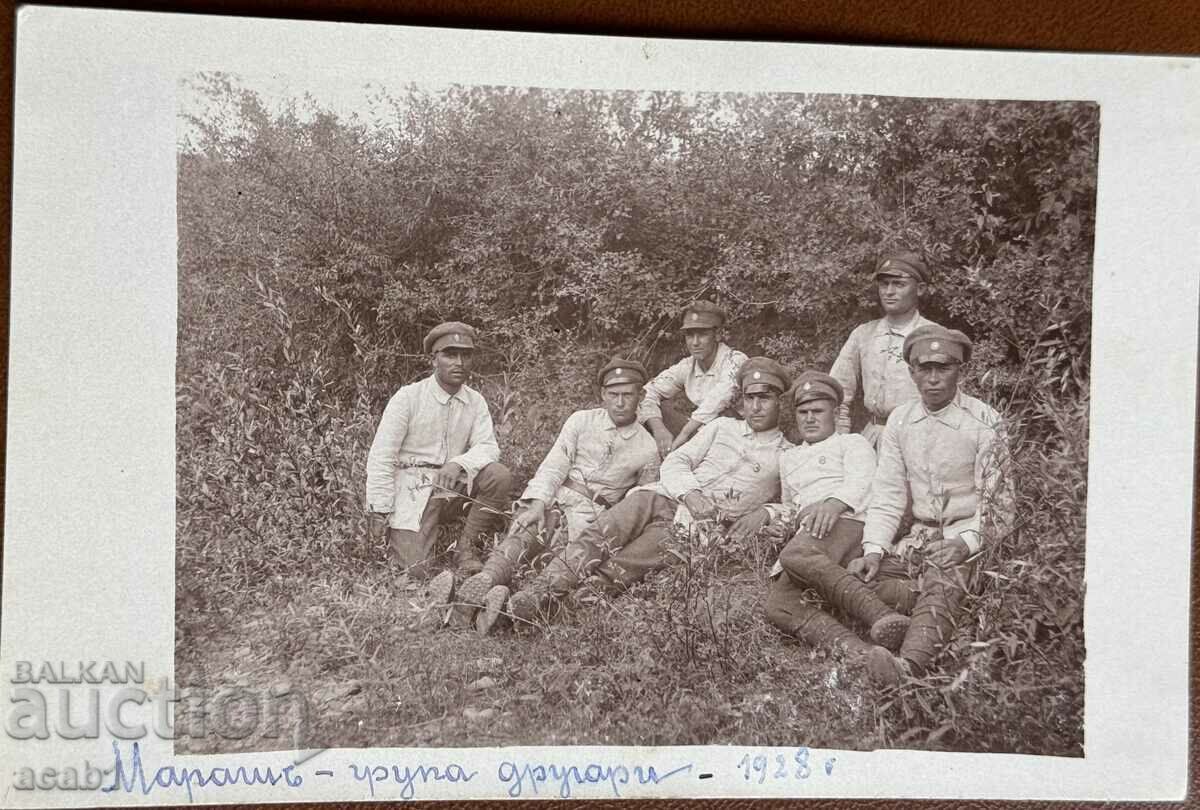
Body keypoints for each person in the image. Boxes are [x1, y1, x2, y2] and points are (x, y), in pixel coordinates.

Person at [503, 357, 794, 627]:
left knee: (626, 564)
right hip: (661, 496)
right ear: (741, 402)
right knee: (600, 535)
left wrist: (767, 511)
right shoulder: (721, 427)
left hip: (693, 529)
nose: (756, 406)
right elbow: (678, 460)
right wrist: (691, 493)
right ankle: (539, 591)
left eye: (765, 398)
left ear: (779, 402)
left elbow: (799, 505)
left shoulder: (787, 454)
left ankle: (560, 611)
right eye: (750, 397)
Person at [848, 324, 1015, 686]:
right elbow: (888, 493)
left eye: (944, 368)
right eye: (925, 369)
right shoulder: (901, 419)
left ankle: (908, 667)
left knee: (946, 580)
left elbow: (999, 505)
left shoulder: (984, 420)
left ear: (961, 370)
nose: (934, 379)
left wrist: (963, 544)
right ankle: (921, 619)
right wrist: (875, 550)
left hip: (967, 537)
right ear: (912, 372)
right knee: (854, 579)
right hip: (919, 541)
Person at [448, 358, 660, 633]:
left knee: (566, 560)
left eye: (627, 395)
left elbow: (635, 505)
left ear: (640, 396)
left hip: (593, 517)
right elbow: (554, 465)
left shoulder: (648, 447)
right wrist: (536, 505)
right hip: (558, 499)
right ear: (602, 395)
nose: (619, 403)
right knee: (528, 530)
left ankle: (517, 605)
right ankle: (483, 583)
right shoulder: (582, 421)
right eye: (613, 395)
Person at [762, 371, 912, 657]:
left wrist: (833, 504)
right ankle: (862, 655)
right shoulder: (789, 457)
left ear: (835, 412)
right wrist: (783, 524)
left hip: (848, 523)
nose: (809, 418)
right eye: (803, 412)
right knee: (779, 606)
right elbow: (791, 503)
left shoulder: (852, 443)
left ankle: (878, 614)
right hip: (812, 536)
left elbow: (865, 480)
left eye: (817, 411)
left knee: (794, 556)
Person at [364, 322, 512, 598]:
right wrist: (379, 510)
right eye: (449, 354)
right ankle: (429, 569)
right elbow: (382, 456)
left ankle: (466, 547)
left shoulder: (475, 401)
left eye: (465, 355)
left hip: (453, 485)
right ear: (434, 359)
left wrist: (459, 463)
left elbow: (488, 447)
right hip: (413, 488)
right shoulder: (408, 398)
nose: (459, 363)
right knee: (416, 570)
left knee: (498, 475)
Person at [829, 251, 945, 447]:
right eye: (884, 284)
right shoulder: (864, 334)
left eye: (899, 284)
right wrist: (839, 437)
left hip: (920, 438)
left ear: (920, 289)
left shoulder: (933, 335)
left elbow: (947, 397)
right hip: (874, 436)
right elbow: (836, 390)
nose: (889, 291)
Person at [639, 301, 748, 457]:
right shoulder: (687, 365)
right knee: (649, 410)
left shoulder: (735, 360)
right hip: (702, 434)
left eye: (702, 334)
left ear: (717, 334)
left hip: (736, 438)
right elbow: (648, 391)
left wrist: (683, 435)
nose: (695, 342)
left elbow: (717, 400)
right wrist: (659, 429)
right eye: (690, 335)